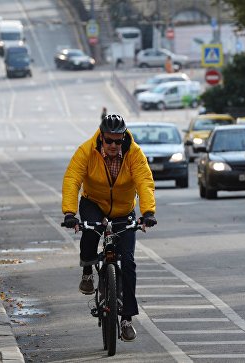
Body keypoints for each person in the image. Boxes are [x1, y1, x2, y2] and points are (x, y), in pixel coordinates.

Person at [61, 114, 157, 342]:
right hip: (93, 202)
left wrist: (148, 213)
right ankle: (87, 273)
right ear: (101, 138)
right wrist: (69, 213)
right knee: (89, 233)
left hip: (124, 208)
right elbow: (72, 178)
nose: (113, 145)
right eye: (109, 141)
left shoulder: (134, 153)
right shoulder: (86, 151)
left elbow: (144, 180)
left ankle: (126, 319)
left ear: (123, 138)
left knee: (129, 262)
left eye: (118, 140)